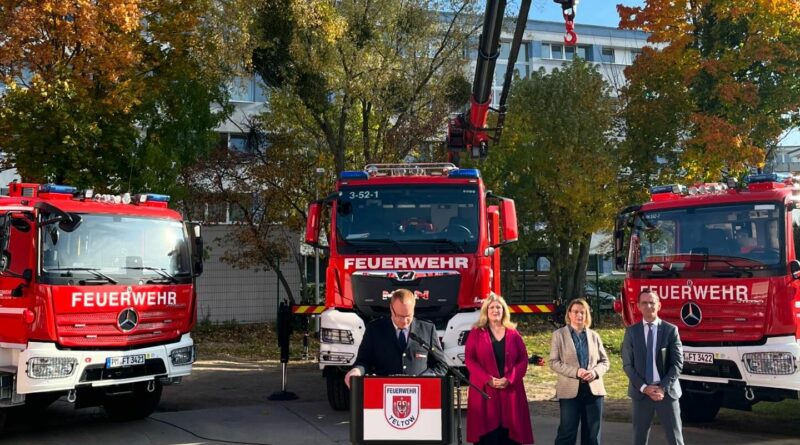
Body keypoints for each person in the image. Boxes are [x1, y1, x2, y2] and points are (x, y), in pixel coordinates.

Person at [465, 294, 534, 445]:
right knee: (488, 436)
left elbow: (522, 359)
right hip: (485, 391)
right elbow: (470, 359)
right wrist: (487, 379)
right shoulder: (476, 332)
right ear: (486, 311)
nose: (495, 310)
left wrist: (509, 379)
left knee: (510, 437)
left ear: (504, 310)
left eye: (498, 307)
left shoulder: (513, 333)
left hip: (510, 392)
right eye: (492, 307)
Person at [344, 288, 445, 388]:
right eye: (400, 316)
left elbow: (441, 364)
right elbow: (364, 361)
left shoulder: (427, 329)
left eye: (408, 316)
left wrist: (425, 379)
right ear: (391, 309)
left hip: (420, 395)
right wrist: (356, 371)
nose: (404, 321)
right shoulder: (374, 329)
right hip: (384, 394)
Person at [622, 289, 685, 445]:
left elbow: (677, 364)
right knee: (639, 439)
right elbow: (628, 365)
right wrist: (644, 387)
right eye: (644, 303)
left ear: (659, 305)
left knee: (675, 439)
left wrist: (662, 388)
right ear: (638, 306)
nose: (648, 306)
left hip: (666, 393)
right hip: (641, 393)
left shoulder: (671, 330)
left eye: (652, 302)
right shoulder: (631, 332)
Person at [549, 298, 609, 445]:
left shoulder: (594, 336)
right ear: (569, 314)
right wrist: (576, 372)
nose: (579, 315)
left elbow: (605, 362)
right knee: (567, 433)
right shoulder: (559, 335)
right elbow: (553, 362)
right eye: (575, 312)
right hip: (570, 390)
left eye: (583, 312)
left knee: (592, 436)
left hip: (593, 390)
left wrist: (594, 373)